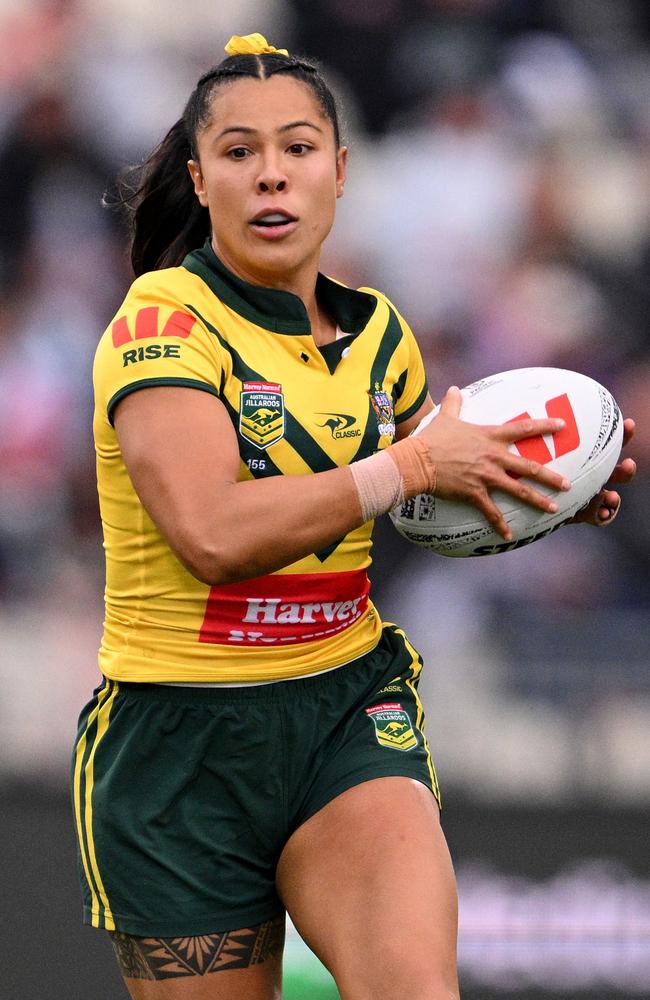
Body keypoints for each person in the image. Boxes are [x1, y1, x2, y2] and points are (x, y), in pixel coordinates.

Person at [71, 32, 635, 1000]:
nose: (270, 174)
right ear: (200, 181)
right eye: (239, 152)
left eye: (296, 147)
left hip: (342, 709)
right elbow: (213, 535)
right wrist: (413, 458)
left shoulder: (377, 333)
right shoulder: (162, 323)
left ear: (340, 170)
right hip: (177, 748)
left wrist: (518, 486)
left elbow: (415, 496)